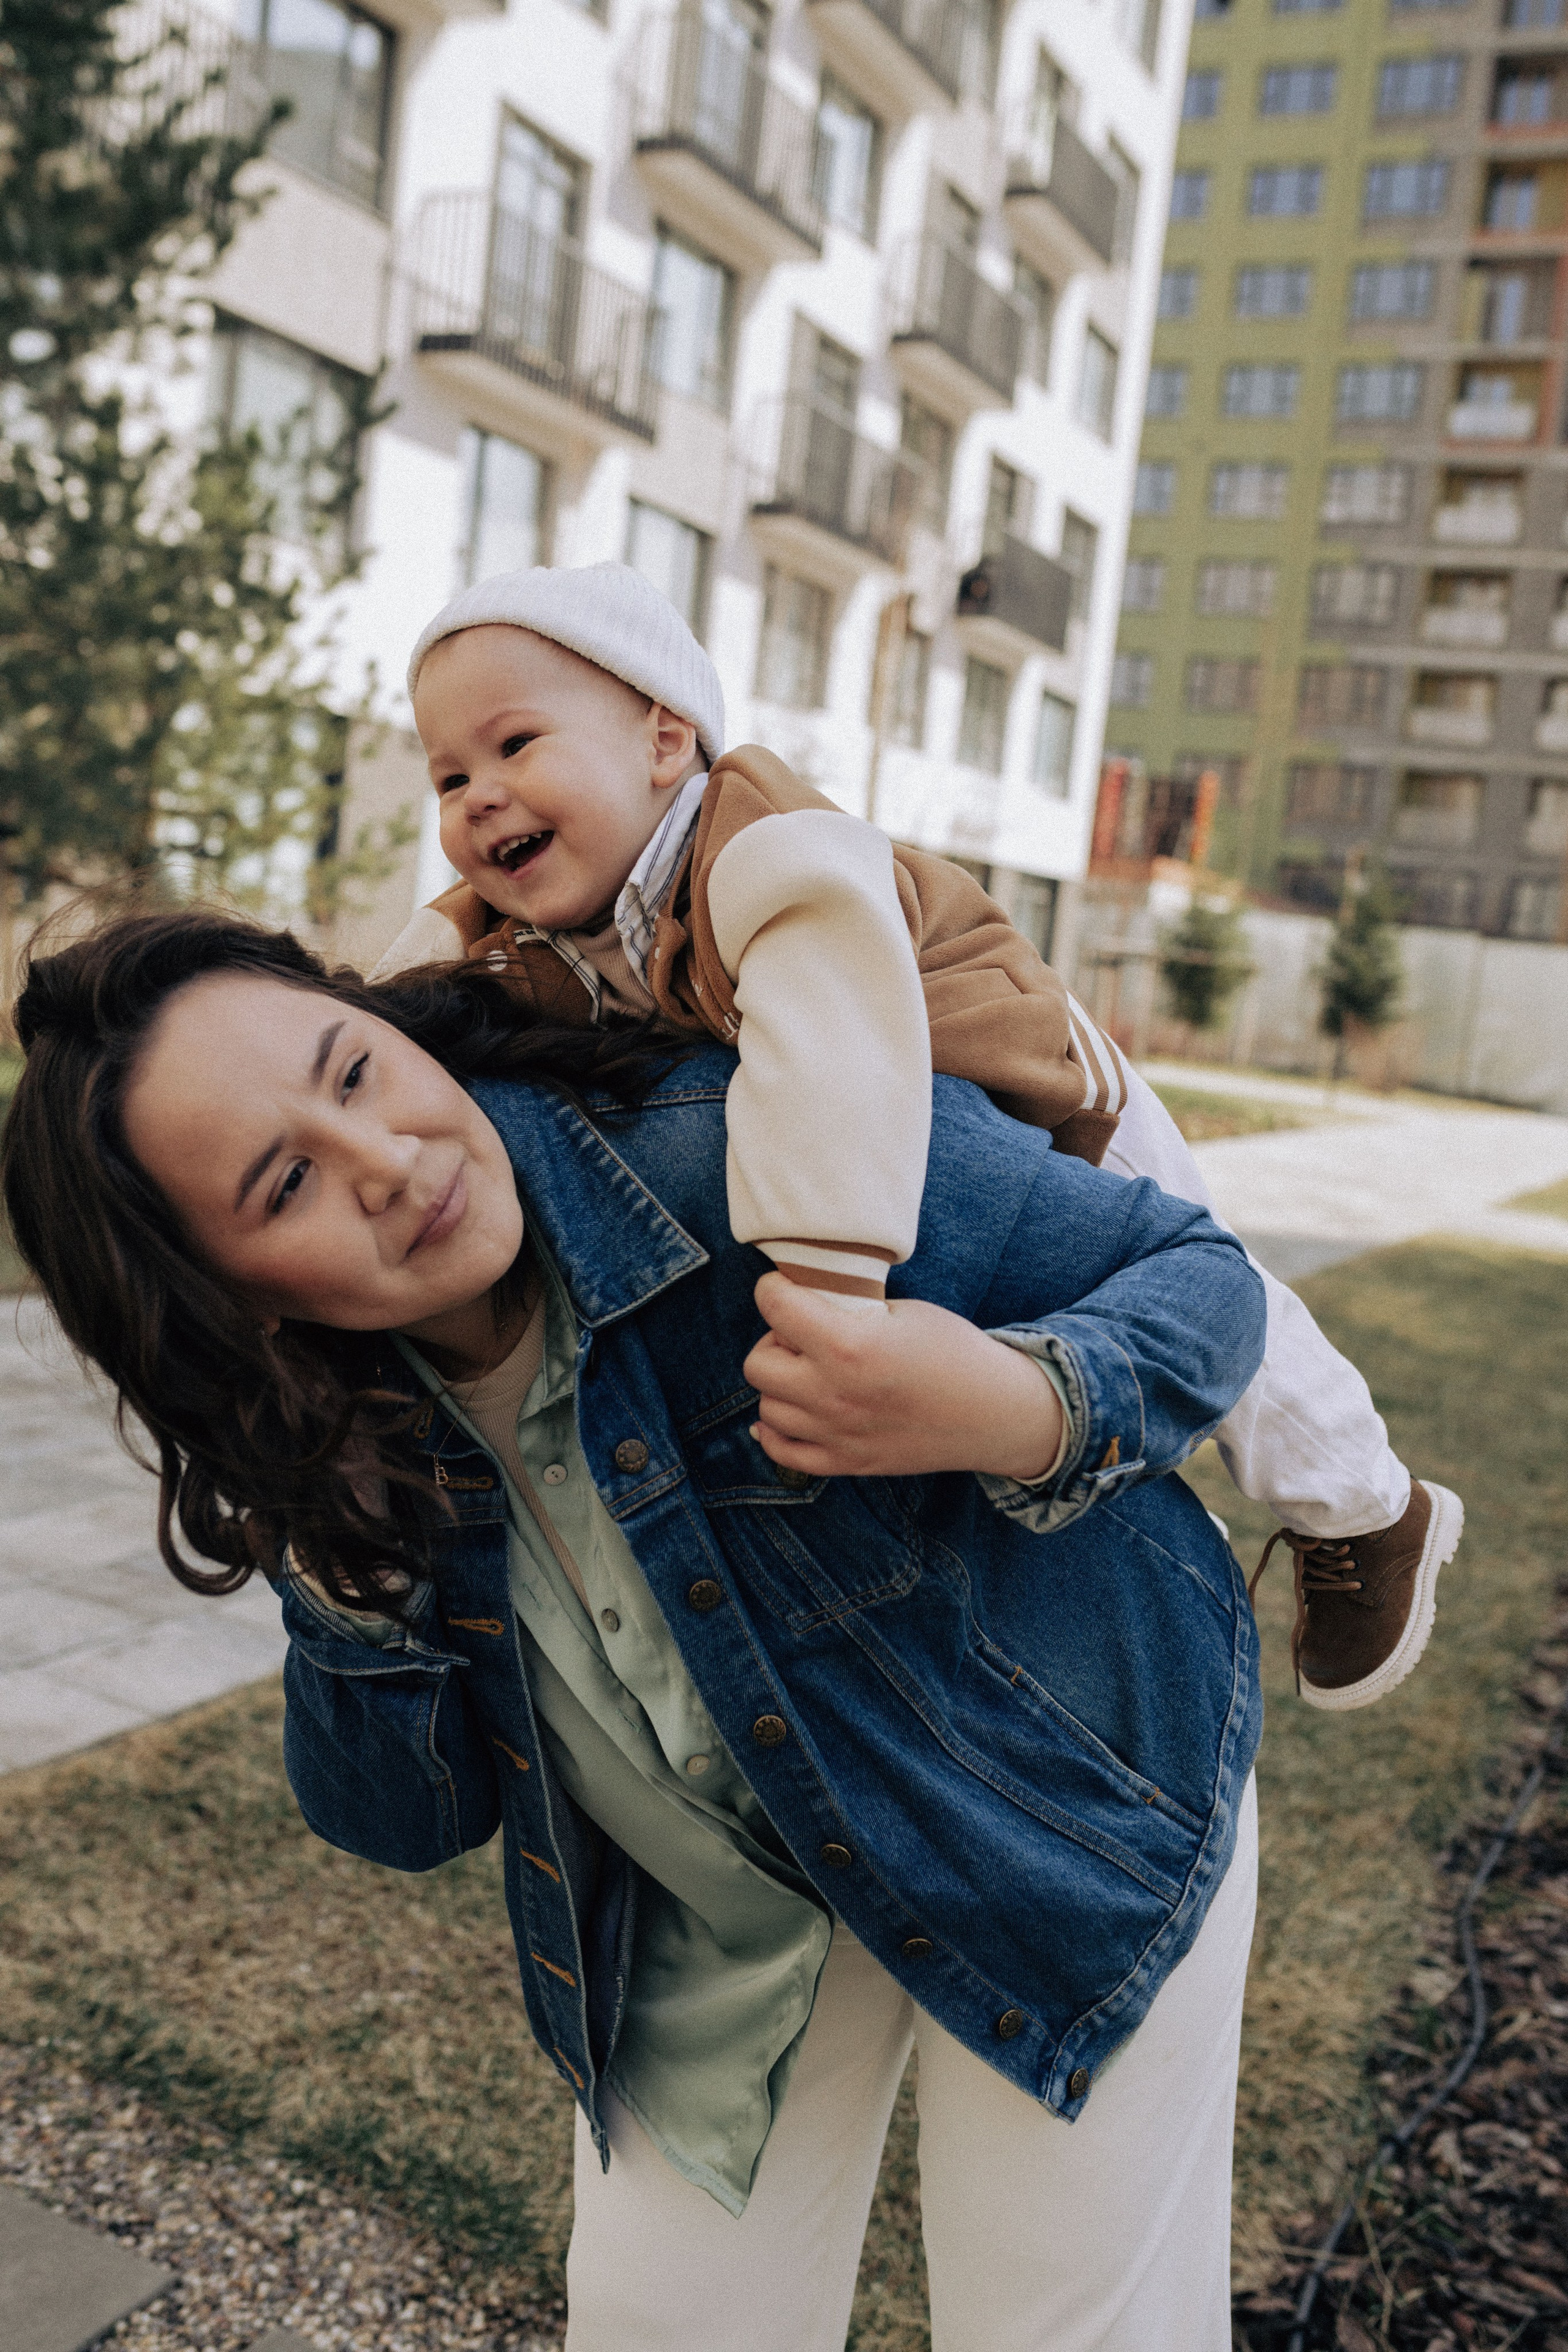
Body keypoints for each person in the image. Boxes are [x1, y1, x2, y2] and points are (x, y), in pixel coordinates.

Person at [4, 907, 1269, 2351]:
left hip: (1057, 1808)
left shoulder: (740, 1147)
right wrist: (340, 1587)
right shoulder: (344, 1435)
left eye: (353, 1072)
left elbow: (1200, 1279)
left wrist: (1008, 1404)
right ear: (230, 1305)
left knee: (1056, 2328)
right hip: (728, 1908)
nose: (390, 1161)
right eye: (285, 1182)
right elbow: (402, 1822)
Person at [379, 560, 1461, 1711]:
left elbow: (832, 1043)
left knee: (1191, 1270)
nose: (479, 797)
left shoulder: (763, 840)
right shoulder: (521, 926)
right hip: (917, 1134)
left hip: (1028, 1073)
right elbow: (412, 996)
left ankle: (1366, 1508)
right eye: (448, 777)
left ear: (663, 741)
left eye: (513, 746)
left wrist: (832, 1288)